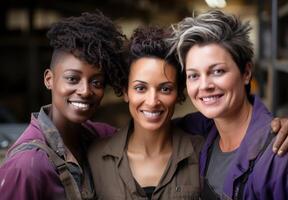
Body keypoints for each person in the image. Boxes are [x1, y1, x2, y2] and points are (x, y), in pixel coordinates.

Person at [169, 9, 288, 199]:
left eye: (218, 71)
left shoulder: (282, 154)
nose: (204, 86)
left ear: (246, 73)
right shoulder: (203, 130)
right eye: (194, 75)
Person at [0, 11, 125, 200]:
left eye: (97, 82)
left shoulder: (98, 137)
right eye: (72, 79)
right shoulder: (27, 165)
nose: (85, 91)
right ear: (49, 79)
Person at [88, 26, 204, 199]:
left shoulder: (202, 153)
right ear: (126, 92)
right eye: (140, 88)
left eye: (165, 89)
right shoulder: (95, 157)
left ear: (178, 93)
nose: (152, 101)